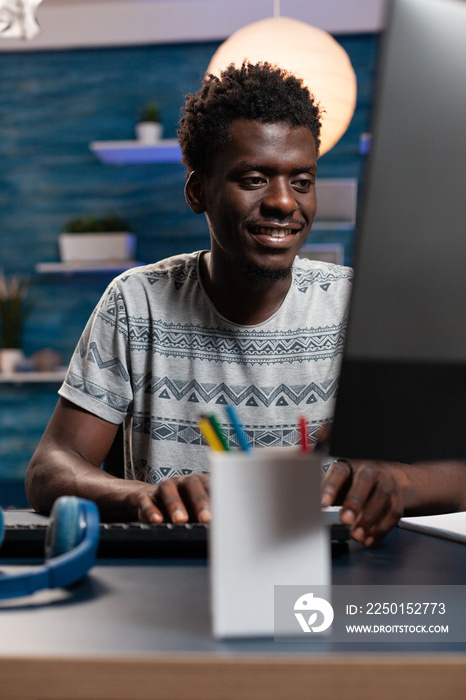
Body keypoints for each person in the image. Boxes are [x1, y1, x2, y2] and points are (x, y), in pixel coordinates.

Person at [26, 62, 466, 546]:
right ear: (198, 191)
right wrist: (141, 496)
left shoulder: (358, 308)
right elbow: (51, 469)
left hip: (328, 580)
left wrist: (393, 481)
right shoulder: (136, 304)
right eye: (255, 178)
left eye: (302, 180)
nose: (283, 202)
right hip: (171, 578)